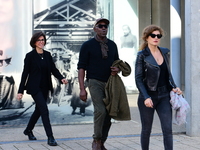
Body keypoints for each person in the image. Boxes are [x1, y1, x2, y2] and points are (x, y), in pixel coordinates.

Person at [135, 25, 182, 150]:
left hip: (164, 96)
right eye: (153, 35)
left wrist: (174, 87)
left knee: (168, 130)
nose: (156, 38)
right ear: (146, 37)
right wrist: (146, 97)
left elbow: (167, 74)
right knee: (146, 130)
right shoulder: (142, 55)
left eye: (158, 36)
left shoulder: (165, 52)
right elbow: (138, 78)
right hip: (148, 96)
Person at [17, 32, 68, 146]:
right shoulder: (30, 56)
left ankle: (28, 130)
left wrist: (61, 78)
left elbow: (53, 69)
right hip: (34, 87)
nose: (41, 42)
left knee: (39, 110)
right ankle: (50, 137)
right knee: (44, 110)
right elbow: (25, 74)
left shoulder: (48, 55)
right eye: (39, 40)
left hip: (45, 86)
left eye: (43, 40)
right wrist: (20, 91)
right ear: (34, 42)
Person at [78, 18, 120, 150]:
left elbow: (117, 62)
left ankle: (102, 142)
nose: (103, 28)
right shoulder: (87, 45)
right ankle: (96, 140)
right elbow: (81, 68)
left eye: (106, 26)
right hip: (94, 81)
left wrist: (117, 69)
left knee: (109, 113)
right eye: (100, 26)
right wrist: (82, 89)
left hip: (110, 83)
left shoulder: (112, 45)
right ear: (95, 28)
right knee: (100, 110)